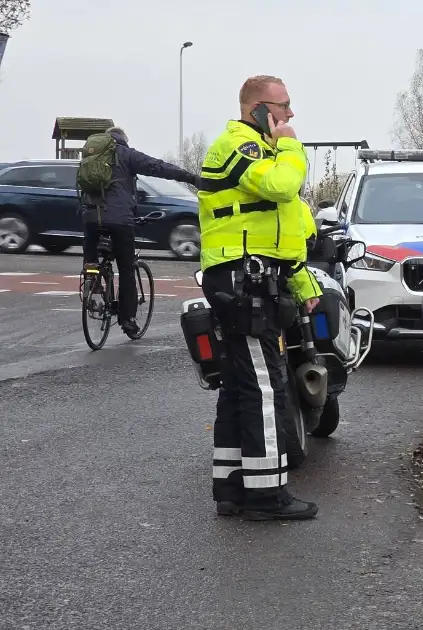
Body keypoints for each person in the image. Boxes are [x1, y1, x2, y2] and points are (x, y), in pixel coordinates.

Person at [199, 75, 323, 520]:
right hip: (243, 282)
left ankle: (232, 488)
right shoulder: (240, 146)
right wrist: (290, 143)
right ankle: (267, 496)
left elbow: (284, 226)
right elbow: (282, 188)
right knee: (266, 389)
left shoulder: (263, 153)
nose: (290, 113)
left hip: (253, 278)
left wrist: (302, 282)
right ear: (257, 109)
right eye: (282, 106)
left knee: (239, 385)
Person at [78, 127, 197, 336]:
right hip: (120, 220)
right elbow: (157, 167)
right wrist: (190, 177)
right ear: (123, 140)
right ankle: (128, 320)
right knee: (127, 268)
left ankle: (92, 279)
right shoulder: (127, 154)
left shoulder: (91, 156)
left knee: (91, 257)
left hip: (90, 218)